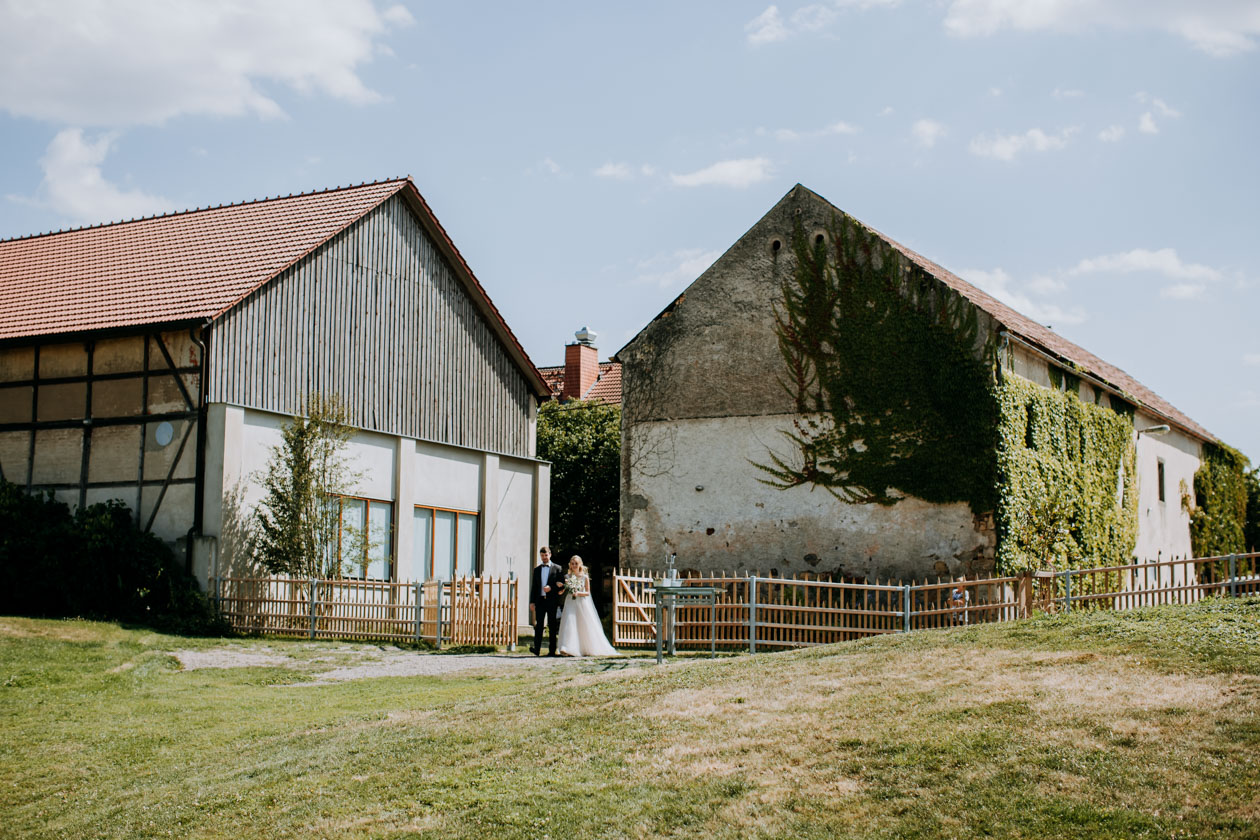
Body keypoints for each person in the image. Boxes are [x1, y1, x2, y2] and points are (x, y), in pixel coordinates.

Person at [556, 556, 619, 657]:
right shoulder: (567, 577)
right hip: (570, 602)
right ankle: (566, 647)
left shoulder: (584, 577)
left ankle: (583, 647)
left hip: (581, 602)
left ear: (580, 564)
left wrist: (578, 593)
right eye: (572, 563)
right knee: (569, 622)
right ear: (570, 565)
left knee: (582, 624)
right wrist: (561, 588)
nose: (574, 565)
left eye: (576, 563)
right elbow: (563, 590)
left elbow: (588, 592)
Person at [529, 546, 565, 656]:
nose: (544, 557)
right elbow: (534, 587)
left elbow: (561, 585)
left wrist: (552, 588)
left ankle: (552, 650)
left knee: (552, 626)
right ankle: (537, 649)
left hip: (552, 601)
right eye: (542, 556)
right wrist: (532, 602)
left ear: (550, 554)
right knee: (539, 625)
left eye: (546, 555)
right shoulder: (537, 570)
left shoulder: (557, 568)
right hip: (540, 600)